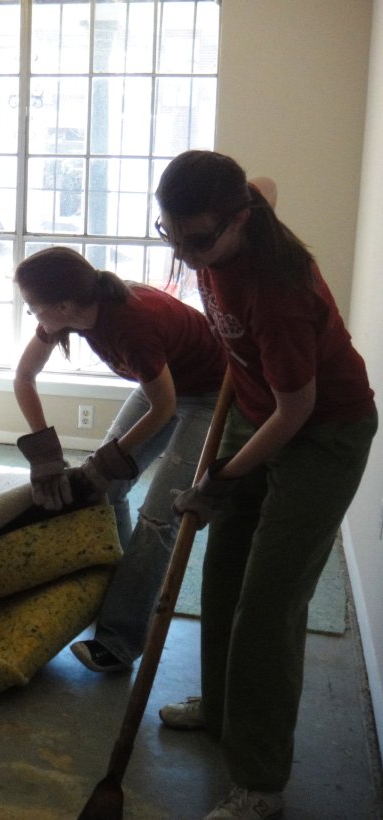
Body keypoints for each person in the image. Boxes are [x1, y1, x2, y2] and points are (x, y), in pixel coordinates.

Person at [154, 150, 376, 820]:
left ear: (239, 220)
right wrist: (228, 475)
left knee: (268, 607)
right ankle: (221, 708)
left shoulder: (277, 293)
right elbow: (267, 182)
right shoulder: (238, 213)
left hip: (322, 434)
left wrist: (220, 477)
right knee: (223, 569)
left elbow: (297, 411)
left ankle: (260, 782)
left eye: (199, 241)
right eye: (171, 235)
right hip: (258, 412)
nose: (186, 256)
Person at [13, 247, 226, 674]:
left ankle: (119, 641)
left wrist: (103, 463)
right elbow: (24, 377)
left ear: (64, 305)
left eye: (33, 306)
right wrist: (45, 456)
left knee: (160, 516)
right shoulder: (69, 314)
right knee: (105, 491)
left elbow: (164, 409)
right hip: (161, 388)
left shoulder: (132, 325)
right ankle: (121, 592)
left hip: (208, 396)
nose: (31, 313)